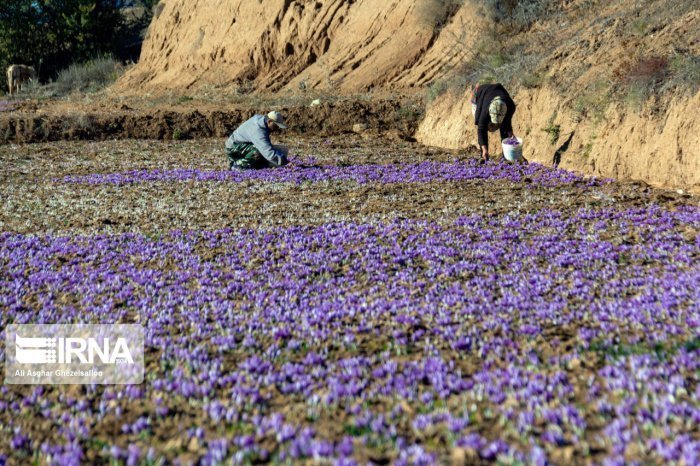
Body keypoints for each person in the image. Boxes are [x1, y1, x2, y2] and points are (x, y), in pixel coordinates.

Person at [470, 83, 517, 163]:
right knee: (481, 124)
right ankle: (483, 153)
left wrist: (511, 138)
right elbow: (481, 129)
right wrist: (484, 149)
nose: (496, 127)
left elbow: (507, 125)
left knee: (504, 126)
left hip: (497, 94)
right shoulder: (485, 111)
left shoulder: (510, 107)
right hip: (480, 94)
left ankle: (505, 156)